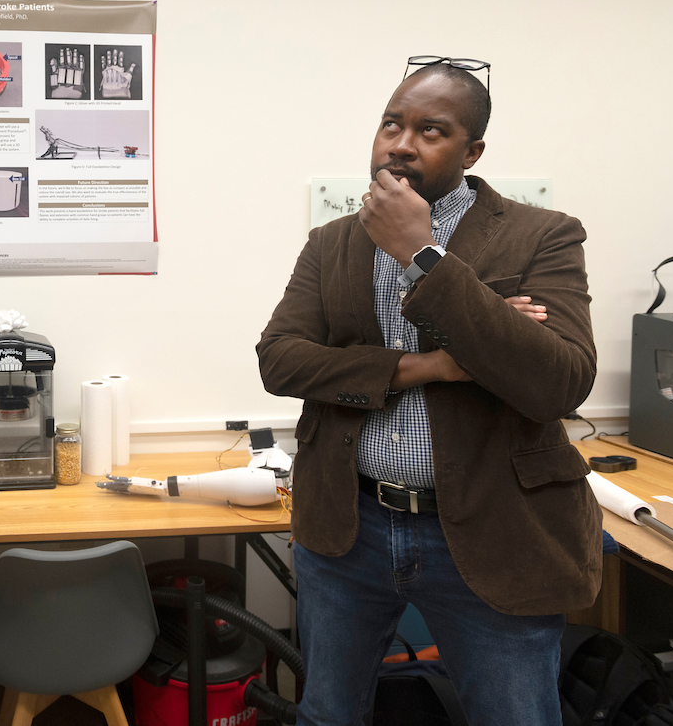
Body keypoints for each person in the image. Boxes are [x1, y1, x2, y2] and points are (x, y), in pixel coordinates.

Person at [257, 58, 601, 725]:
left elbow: (559, 380)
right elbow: (282, 360)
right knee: (328, 713)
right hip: (349, 530)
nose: (402, 142)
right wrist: (434, 366)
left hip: (493, 531)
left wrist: (425, 254)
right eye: (392, 123)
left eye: (431, 130)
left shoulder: (543, 235)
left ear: (472, 151)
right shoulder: (332, 243)